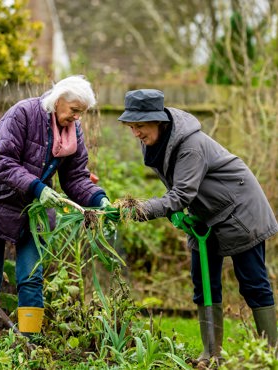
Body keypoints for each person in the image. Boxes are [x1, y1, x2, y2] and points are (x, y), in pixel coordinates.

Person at [115, 89, 277, 364]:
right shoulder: (156, 143)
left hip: (241, 210)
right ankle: (211, 354)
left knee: (253, 282)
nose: (136, 133)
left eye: (140, 126)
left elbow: (180, 195)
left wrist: (142, 209)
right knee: (202, 282)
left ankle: (271, 353)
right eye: (132, 126)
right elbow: (179, 191)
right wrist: (176, 214)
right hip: (207, 214)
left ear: (159, 121)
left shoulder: (190, 145)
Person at [0, 75, 112, 342]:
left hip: (34, 213)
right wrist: (38, 187)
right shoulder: (22, 114)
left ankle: (28, 346)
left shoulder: (72, 132)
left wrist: (99, 199)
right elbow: (3, 159)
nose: (77, 118)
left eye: (82, 113)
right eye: (74, 111)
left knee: (31, 278)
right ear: (58, 101)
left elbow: (75, 177)